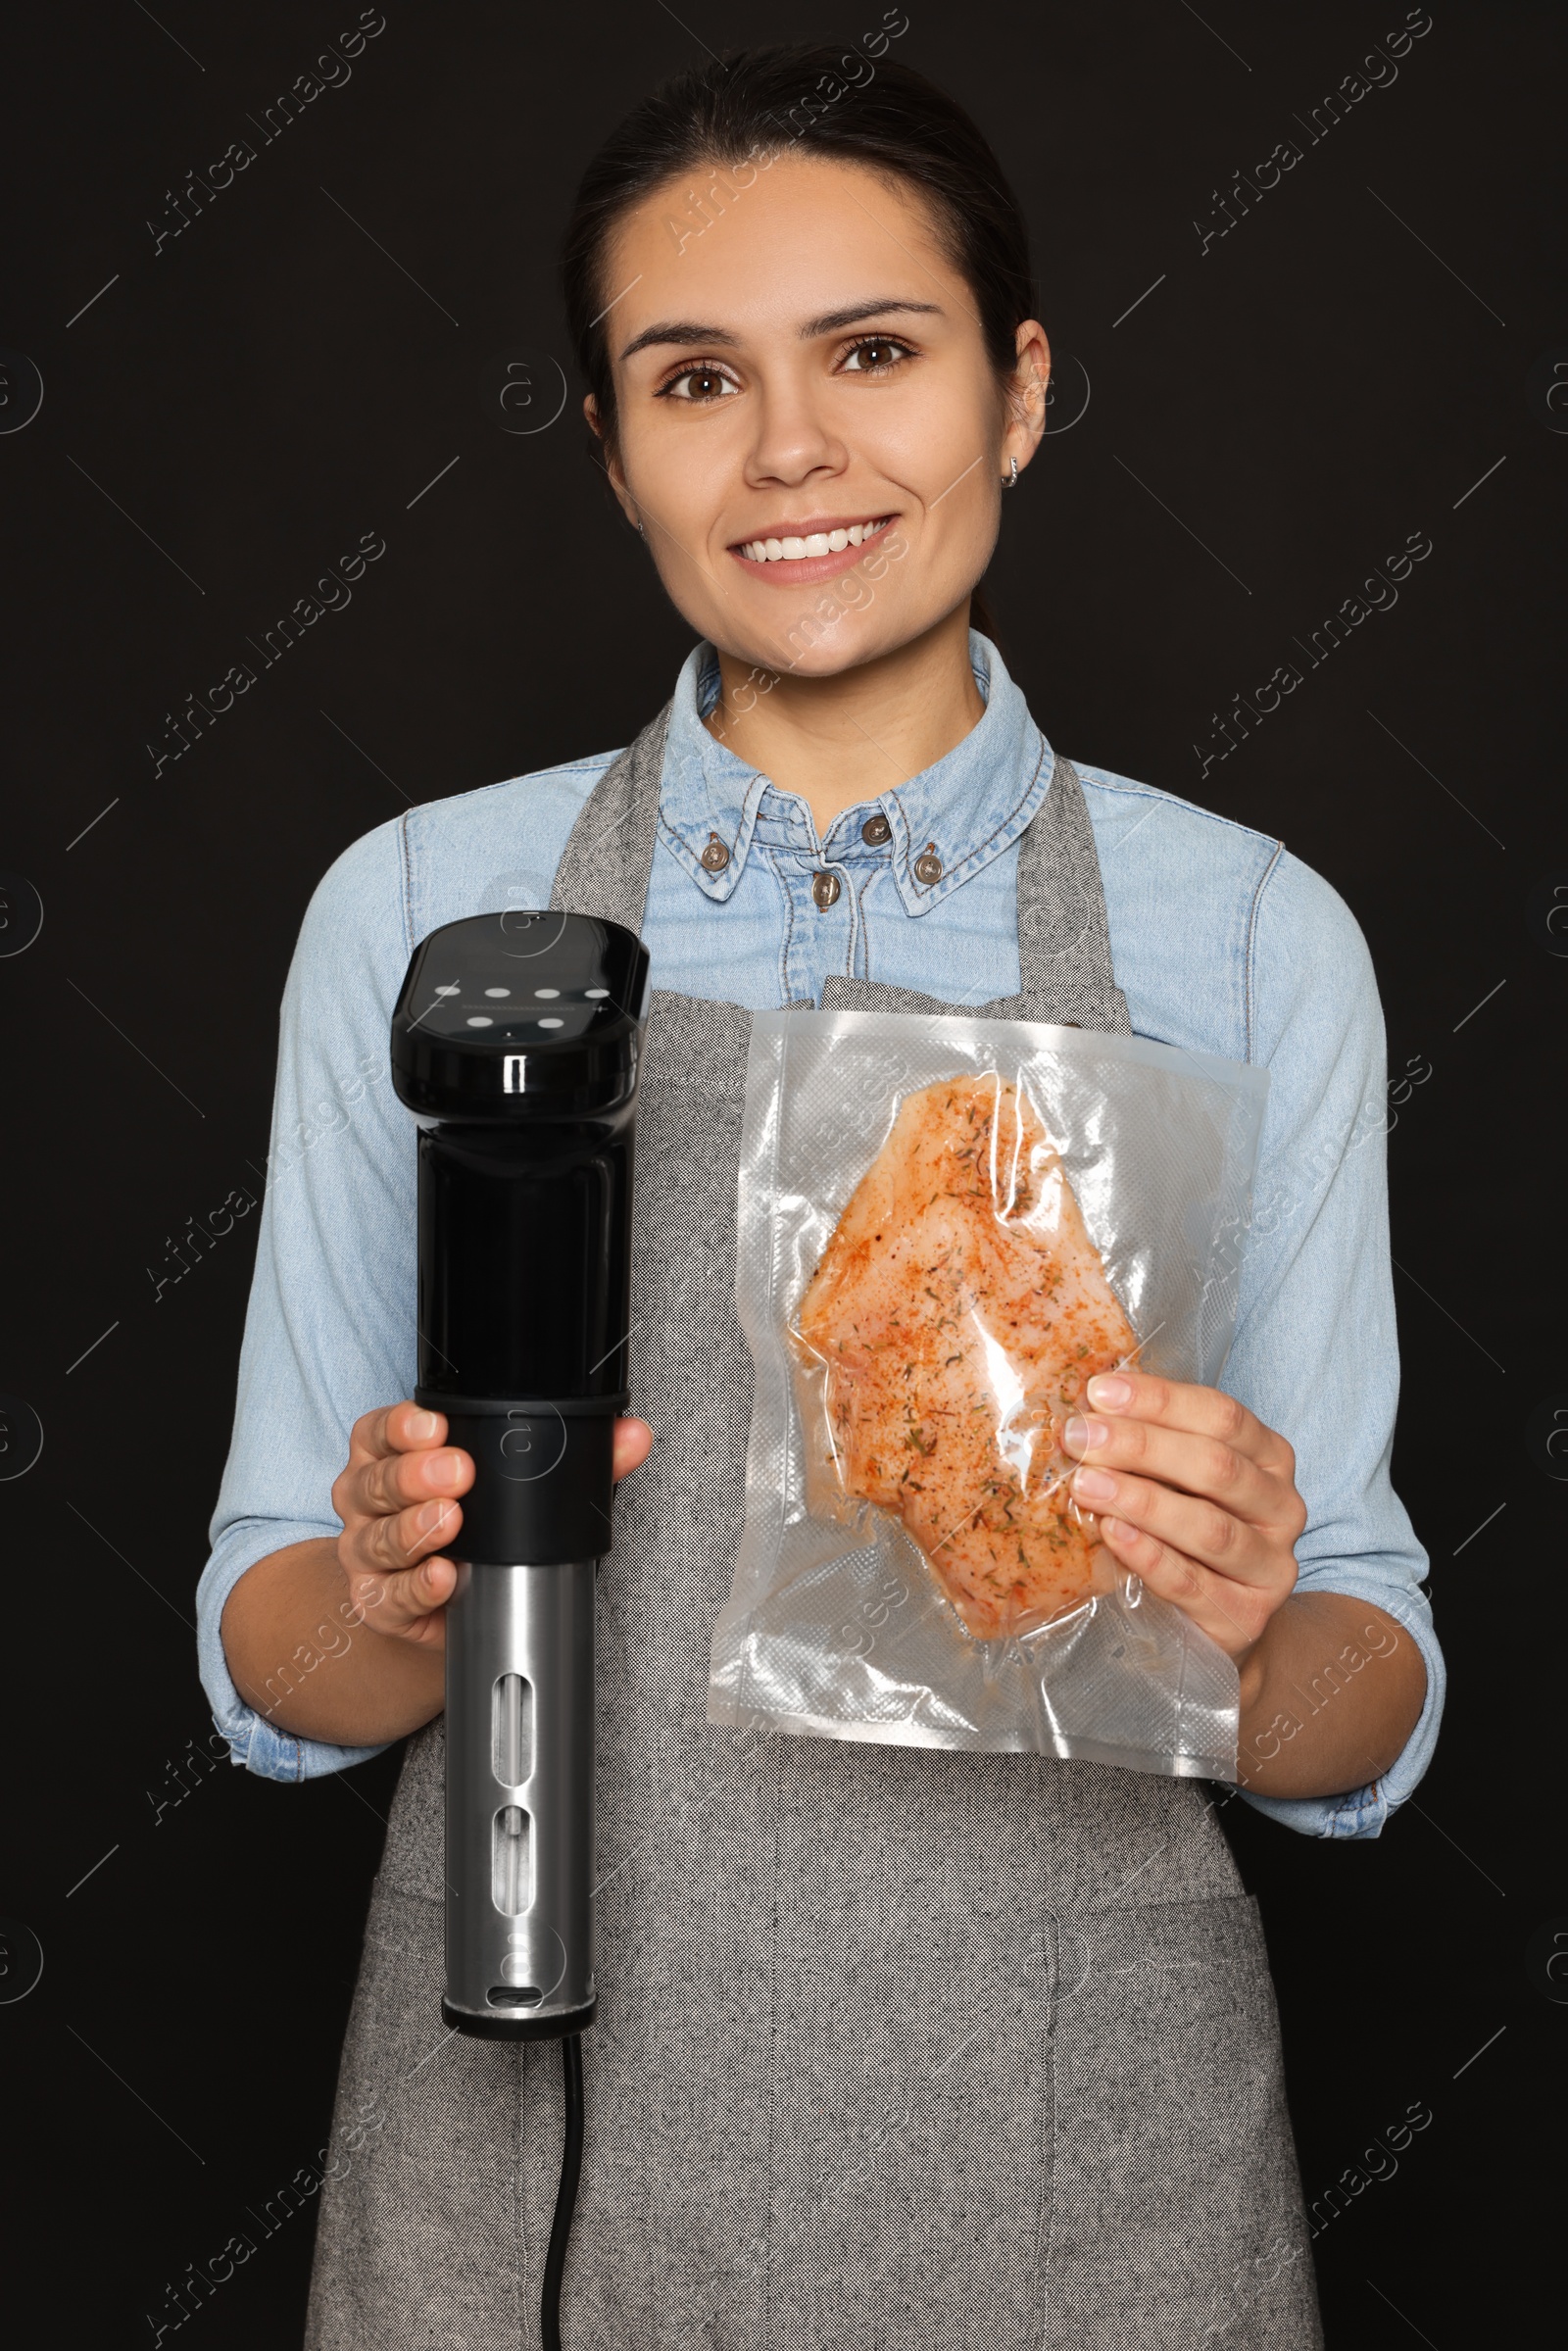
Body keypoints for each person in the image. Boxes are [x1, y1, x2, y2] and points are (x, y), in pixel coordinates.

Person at [197, 45, 1444, 2350]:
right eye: (694, 378)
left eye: (874, 353)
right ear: (610, 444)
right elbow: (271, 1663)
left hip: (1086, 2177)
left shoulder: (1246, 938)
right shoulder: (424, 914)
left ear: (1017, 390)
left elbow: (1358, 1700)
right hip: (526, 2154)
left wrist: (1245, 1613)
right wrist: (392, 1595)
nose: (789, 448)